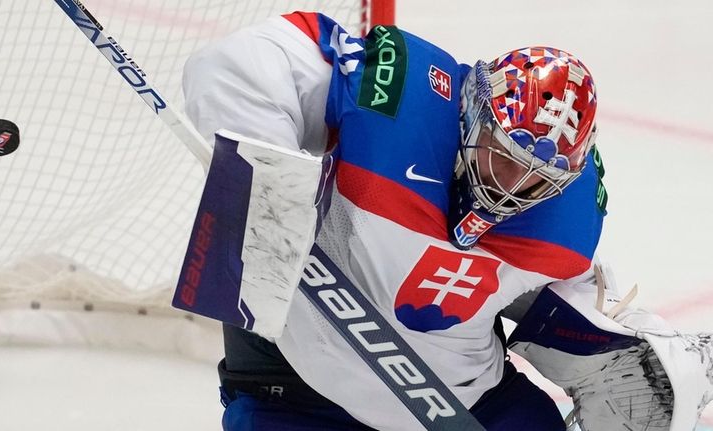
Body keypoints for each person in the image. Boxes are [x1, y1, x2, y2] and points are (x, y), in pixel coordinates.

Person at [182, 11, 711, 431]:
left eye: (538, 179)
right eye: (504, 156)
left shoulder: (565, 225)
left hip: (465, 401)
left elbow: (567, 307)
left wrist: (631, 358)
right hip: (291, 384)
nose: (512, 186)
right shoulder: (392, 98)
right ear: (472, 111)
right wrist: (271, 184)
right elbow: (236, 64)